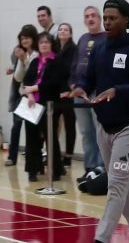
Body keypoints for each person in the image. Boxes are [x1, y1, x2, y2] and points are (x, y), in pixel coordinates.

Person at [69, 0, 129, 243]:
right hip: (104, 128)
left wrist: (119, 90)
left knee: (115, 186)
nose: (107, 22)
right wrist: (81, 87)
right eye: (105, 17)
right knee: (124, 185)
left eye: (112, 18)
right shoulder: (101, 48)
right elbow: (89, 78)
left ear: (126, 19)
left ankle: (101, 239)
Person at [23, 32, 67, 182]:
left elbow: (53, 83)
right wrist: (29, 95)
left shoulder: (57, 61)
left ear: (51, 44)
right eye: (41, 42)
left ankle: (56, 169)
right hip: (32, 104)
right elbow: (26, 80)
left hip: (48, 104)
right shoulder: (35, 61)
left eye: (47, 42)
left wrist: (34, 88)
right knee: (31, 137)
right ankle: (33, 170)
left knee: (50, 138)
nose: (44, 44)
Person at [70, 6, 107, 182]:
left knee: (99, 130)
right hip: (79, 91)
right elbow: (75, 63)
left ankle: (101, 167)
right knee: (86, 132)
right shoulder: (83, 39)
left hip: (96, 91)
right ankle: (90, 167)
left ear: (99, 18)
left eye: (93, 16)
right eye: (87, 16)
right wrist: (72, 83)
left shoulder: (107, 38)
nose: (90, 19)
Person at [4, 24, 39, 166]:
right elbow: (18, 77)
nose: (24, 41)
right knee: (16, 126)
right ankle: (12, 157)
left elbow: (34, 74)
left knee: (32, 132)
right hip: (21, 96)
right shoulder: (21, 53)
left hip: (35, 97)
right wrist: (21, 60)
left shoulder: (37, 54)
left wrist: (24, 60)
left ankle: (34, 162)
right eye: (22, 38)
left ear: (33, 38)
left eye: (27, 38)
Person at [55, 23, 77, 166]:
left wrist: (70, 89)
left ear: (70, 34)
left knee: (69, 124)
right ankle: (54, 154)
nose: (63, 32)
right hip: (55, 92)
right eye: (60, 29)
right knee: (52, 124)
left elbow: (73, 70)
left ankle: (68, 156)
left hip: (68, 91)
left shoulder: (74, 49)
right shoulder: (54, 48)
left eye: (66, 30)